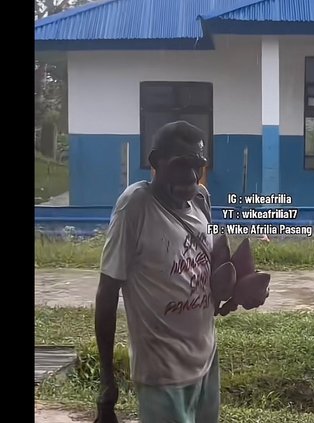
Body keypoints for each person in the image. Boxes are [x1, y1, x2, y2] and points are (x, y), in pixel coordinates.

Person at [93, 121, 269, 423]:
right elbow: (107, 292)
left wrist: (239, 293)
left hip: (206, 360)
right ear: (154, 163)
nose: (190, 176)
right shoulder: (135, 207)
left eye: (197, 165)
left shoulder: (200, 199)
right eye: (180, 165)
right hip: (162, 372)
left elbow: (204, 275)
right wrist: (107, 382)